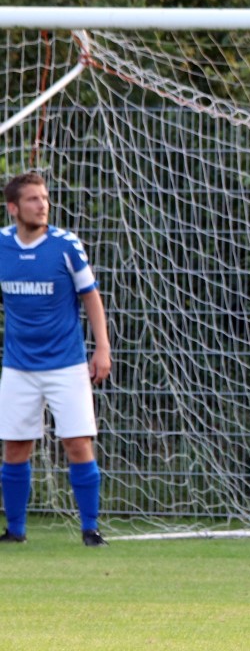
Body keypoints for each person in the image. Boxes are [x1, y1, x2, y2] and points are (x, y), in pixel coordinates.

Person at [0, 172, 111, 547]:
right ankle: (15, 531)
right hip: (18, 366)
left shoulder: (65, 245)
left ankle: (91, 529)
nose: (42, 204)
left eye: (44, 198)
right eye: (33, 199)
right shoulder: (2, 245)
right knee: (15, 447)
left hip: (66, 364)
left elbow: (90, 296)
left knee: (77, 443)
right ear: (14, 208)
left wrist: (102, 347)